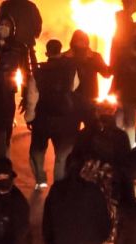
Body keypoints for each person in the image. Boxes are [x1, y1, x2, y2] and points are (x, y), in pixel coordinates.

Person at [43, 156, 114, 244]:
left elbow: (47, 223)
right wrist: (98, 241)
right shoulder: (93, 191)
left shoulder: (57, 190)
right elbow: (104, 221)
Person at [25, 39, 80, 188]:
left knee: (37, 150)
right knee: (62, 155)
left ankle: (40, 179)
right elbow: (75, 86)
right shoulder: (70, 69)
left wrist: (29, 117)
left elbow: (32, 97)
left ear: (47, 52)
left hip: (43, 117)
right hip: (64, 118)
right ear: (60, 50)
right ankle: (59, 186)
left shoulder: (38, 72)